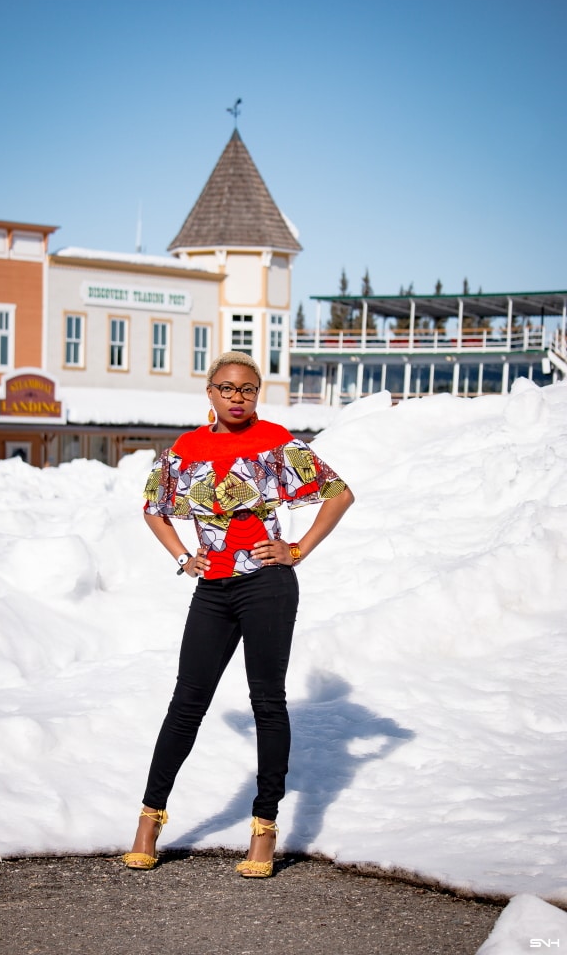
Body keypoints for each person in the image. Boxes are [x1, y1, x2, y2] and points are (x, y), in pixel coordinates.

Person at [122, 351, 354, 877]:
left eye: (247, 389)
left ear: (257, 394)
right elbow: (154, 509)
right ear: (210, 393)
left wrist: (297, 549)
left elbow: (339, 495)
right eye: (226, 388)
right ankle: (149, 819)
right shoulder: (187, 448)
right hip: (212, 588)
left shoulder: (276, 441)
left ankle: (264, 828)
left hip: (267, 586)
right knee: (187, 703)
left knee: (267, 702)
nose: (236, 397)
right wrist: (184, 557)